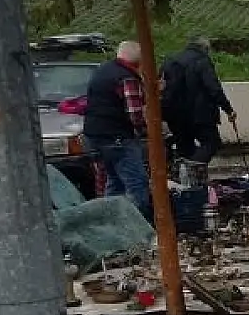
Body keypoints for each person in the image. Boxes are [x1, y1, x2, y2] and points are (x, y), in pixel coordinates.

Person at [83, 39, 152, 215]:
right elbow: (135, 114)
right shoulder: (127, 76)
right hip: (118, 137)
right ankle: (141, 225)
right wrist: (147, 132)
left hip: (94, 136)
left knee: (114, 182)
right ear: (139, 60)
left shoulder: (103, 70)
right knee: (137, 183)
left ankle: (111, 222)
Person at [161, 37, 235, 164]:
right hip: (200, 114)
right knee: (211, 143)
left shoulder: (170, 61)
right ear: (205, 49)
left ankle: (187, 178)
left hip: (174, 114)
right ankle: (193, 170)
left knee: (185, 147)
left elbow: (160, 86)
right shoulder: (202, 61)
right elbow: (213, 88)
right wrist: (228, 109)